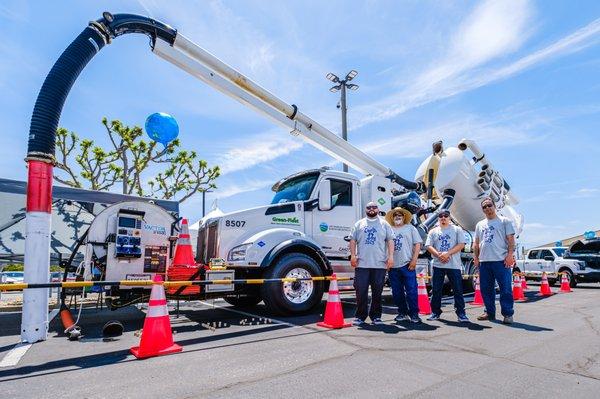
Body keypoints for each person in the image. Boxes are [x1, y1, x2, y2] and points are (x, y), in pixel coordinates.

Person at [350, 201, 395, 326]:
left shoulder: (384, 224)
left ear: (378, 209)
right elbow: (353, 240)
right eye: (369, 207)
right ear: (366, 210)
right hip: (362, 264)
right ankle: (360, 317)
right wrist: (353, 255)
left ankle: (376, 316)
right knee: (361, 291)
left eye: (374, 207)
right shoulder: (359, 224)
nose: (371, 209)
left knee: (377, 292)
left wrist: (390, 257)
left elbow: (390, 241)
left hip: (379, 264)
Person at [474, 197, 516, 324]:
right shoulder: (480, 224)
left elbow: (511, 240)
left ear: (494, 206)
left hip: (500, 261)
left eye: (489, 205)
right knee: (486, 289)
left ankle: (508, 314)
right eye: (484, 207)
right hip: (484, 262)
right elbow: (476, 243)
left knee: (505, 288)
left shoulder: (504, 221)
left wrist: (510, 255)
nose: (487, 208)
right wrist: (476, 258)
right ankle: (489, 312)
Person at [425, 210, 468, 322]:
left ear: (449, 218)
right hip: (438, 265)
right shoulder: (433, 231)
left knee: (458, 290)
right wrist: (438, 255)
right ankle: (435, 312)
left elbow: (461, 244)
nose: (443, 218)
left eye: (446, 216)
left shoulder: (457, 230)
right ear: (438, 218)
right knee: (436, 290)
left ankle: (461, 314)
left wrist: (447, 253)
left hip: (453, 265)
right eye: (440, 216)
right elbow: (429, 246)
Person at [384, 207, 423, 323]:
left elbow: (417, 245)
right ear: (392, 217)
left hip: (407, 265)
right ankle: (402, 313)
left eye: (400, 214)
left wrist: (414, 260)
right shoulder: (388, 230)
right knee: (396, 292)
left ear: (404, 216)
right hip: (393, 267)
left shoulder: (410, 228)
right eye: (395, 214)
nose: (398, 216)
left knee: (411, 291)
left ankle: (414, 314)